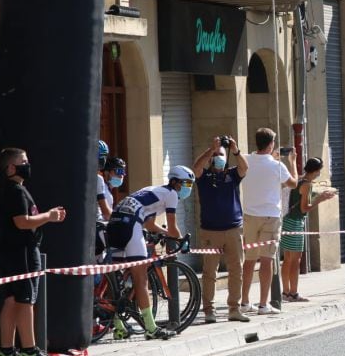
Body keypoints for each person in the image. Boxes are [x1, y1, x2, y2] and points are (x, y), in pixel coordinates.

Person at [0, 148, 65, 356]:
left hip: (11, 251)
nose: (28, 164)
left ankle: (6, 350)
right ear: (11, 167)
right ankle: (29, 350)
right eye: (23, 161)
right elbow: (22, 221)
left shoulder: (8, 190)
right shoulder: (16, 191)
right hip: (22, 252)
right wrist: (49, 216)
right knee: (25, 300)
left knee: (12, 300)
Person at [107, 165, 196, 340]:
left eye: (190, 184)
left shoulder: (153, 191)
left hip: (115, 223)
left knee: (116, 280)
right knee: (141, 279)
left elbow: (149, 225)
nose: (188, 187)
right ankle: (150, 328)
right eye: (186, 183)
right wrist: (180, 240)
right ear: (176, 182)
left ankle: (118, 327)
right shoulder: (171, 194)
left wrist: (163, 233)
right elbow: (172, 227)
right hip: (130, 226)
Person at [240, 127, 298, 314]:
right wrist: (293, 163)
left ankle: (245, 302)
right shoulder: (277, 166)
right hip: (270, 216)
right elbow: (293, 183)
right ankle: (264, 304)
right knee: (267, 260)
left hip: (249, 215)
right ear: (271, 143)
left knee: (249, 260)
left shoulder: (247, 160)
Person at [192, 136, 250, 323]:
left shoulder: (232, 174)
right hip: (211, 231)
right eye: (215, 155)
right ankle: (209, 310)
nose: (218, 157)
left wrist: (236, 150)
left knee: (236, 270)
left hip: (233, 229)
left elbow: (244, 168)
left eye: (221, 154)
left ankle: (234, 308)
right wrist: (211, 149)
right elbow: (196, 168)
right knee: (210, 272)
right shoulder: (205, 177)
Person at [279, 157, 337, 299]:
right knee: (295, 260)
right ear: (316, 171)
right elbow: (304, 208)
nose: (319, 174)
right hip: (296, 222)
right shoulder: (307, 185)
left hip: (287, 220)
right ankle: (293, 293)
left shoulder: (299, 179)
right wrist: (321, 199)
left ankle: (285, 292)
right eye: (319, 171)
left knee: (287, 259)